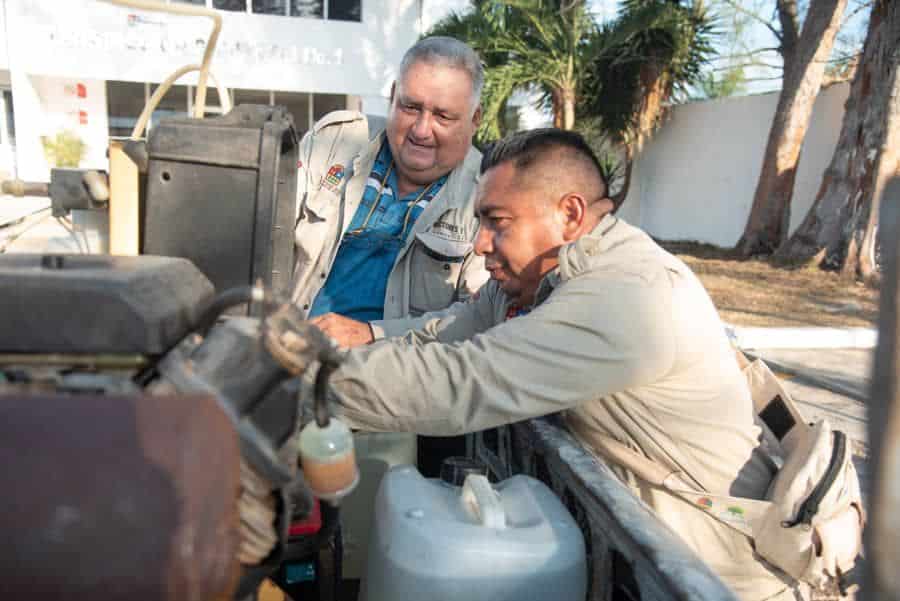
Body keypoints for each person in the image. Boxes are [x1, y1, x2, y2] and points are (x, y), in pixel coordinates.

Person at [315, 129, 804, 601]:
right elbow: (452, 335)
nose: (480, 245)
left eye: (497, 222)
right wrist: (359, 341)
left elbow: (460, 383)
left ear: (569, 214)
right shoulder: (547, 273)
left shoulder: (626, 294)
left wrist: (294, 381)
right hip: (639, 562)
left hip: (707, 580)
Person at [292, 36, 488, 344]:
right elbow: (265, 231)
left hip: (394, 378)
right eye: (411, 107)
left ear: (475, 119)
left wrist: (373, 334)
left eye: (442, 116)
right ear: (393, 96)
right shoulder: (334, 141)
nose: (422, 130)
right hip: (286, 350)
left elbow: (478, 316)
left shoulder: (490, 193)